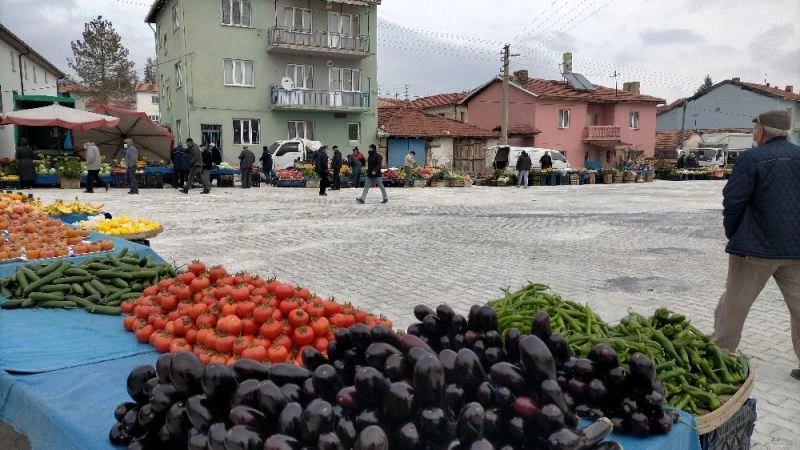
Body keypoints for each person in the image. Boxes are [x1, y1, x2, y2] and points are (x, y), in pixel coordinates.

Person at [710, 110, 800, 380]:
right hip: (796, 249)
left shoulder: (752, 158)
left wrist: (734, 233)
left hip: (755, 249)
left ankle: (720, 359)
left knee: (734, 306)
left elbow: (733, 200)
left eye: (755, 128)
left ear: (761, 131)